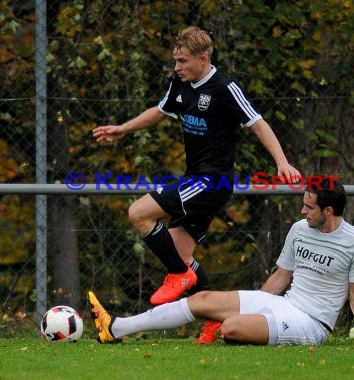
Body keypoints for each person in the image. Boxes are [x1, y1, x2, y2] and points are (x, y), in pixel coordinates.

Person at [92, 26, 300, 343]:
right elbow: (159, 112)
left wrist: (282, 162)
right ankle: (217, 317)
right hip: (195, 179)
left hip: (211, 181)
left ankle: (179, 275)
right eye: (175, 60)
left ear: (202, 59)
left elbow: (258, 123)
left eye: (182, 61)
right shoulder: (181, 83)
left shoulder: (224, 88)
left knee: (139, 213)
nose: (176, 67)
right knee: (179, 251)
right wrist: (123, 128)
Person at [88, 178, 354, 347]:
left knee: (231, 328)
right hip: (284, 305)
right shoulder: (299, 230)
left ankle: (241, 326)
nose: (302, 212)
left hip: (312, 323)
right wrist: (259, 302)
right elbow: (282, 276)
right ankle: (116, 327)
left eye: (309, 208)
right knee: (201, 299)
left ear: (329, 211)